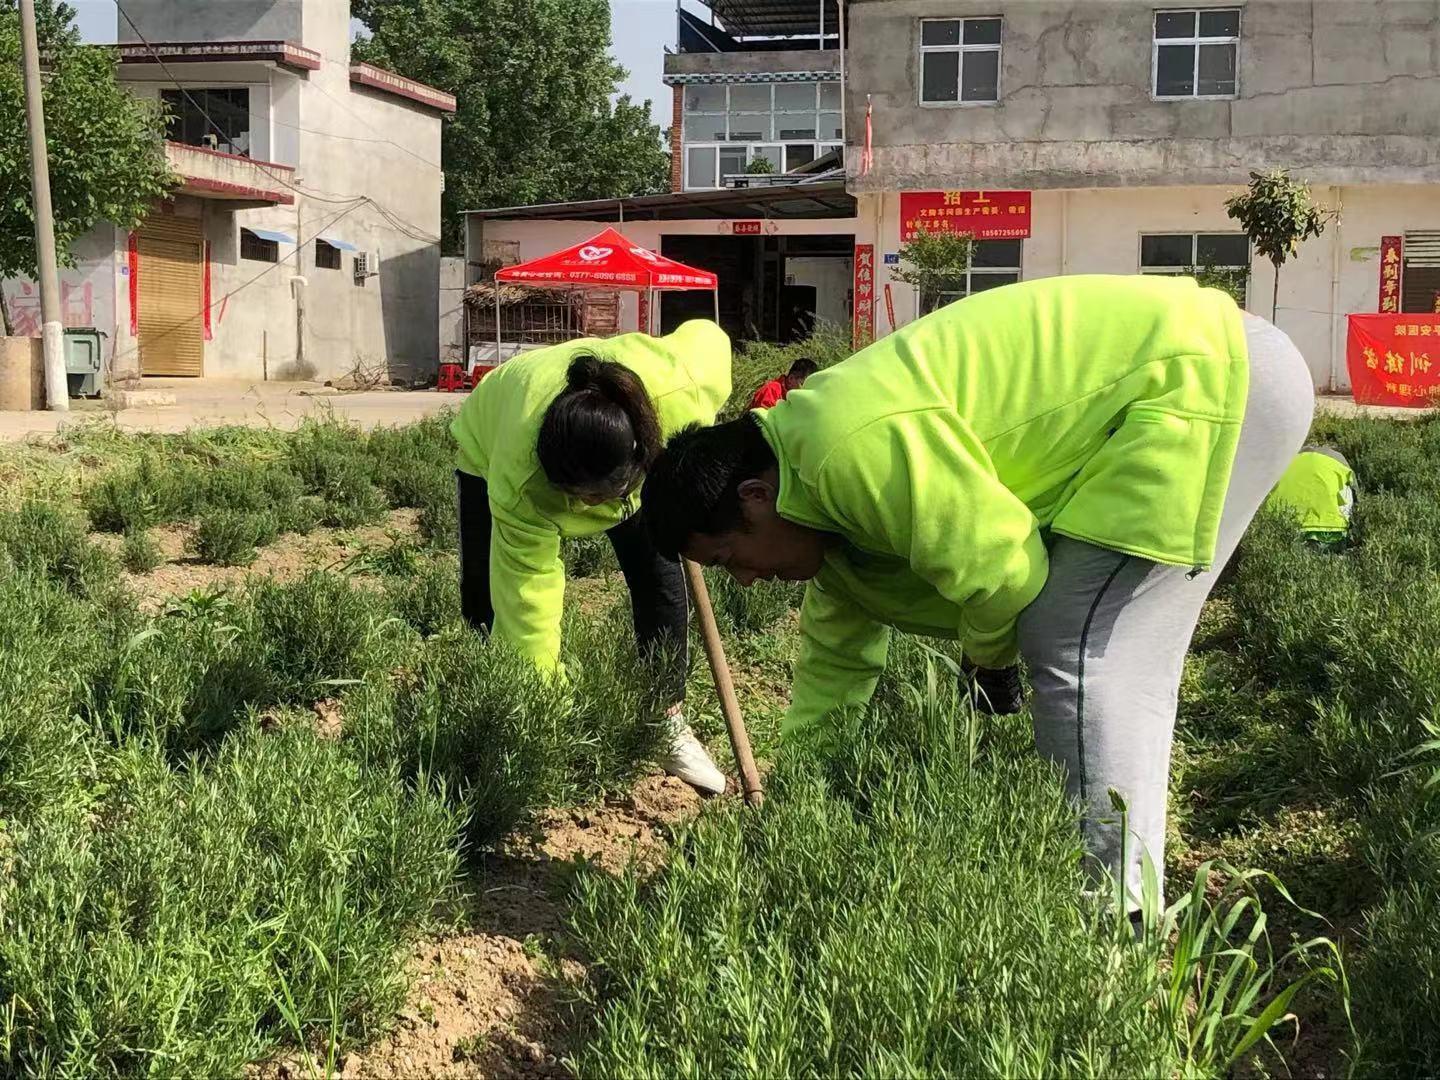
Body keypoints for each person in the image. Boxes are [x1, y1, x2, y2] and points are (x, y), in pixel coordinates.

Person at [642, 275, 1314, 908]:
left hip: (1201, 376)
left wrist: (986, 661)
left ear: (755, 497)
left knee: (1078, 650)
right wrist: (797, 811)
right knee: (1108, 658)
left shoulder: (840, 445)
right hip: (1194, 384)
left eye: (731, 557)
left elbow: (1004, 569)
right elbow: (831, 679)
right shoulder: (827, 533)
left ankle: (1109, 931)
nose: (749, 580)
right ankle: (1111, 908)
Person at [451, 320, 733, 795]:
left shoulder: (682, 386)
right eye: (577, 498)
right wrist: (546, 721)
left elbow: (711, 338)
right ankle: (506, 711)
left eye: (599, 498)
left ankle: (664, 718)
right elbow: (528, 600)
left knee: (659, 578)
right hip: (492, 434)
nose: (588, 511)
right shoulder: (520, 480)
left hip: (636, 436)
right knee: (488, 599)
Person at [1264, 445, 1357, 546]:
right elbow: (1355, 491)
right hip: (1333, 530)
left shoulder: (1284, 463)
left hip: (1279, 531)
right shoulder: (1337, 460)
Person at [749, 357, 818, 410]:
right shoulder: (772, 390)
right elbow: (763, 422)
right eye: (803, 384)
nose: (805, 390)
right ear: (791, 379)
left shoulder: (798, 398)